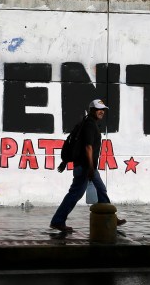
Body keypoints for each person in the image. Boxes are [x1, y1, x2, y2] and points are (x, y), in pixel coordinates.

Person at [50, 99, 126, 233]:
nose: (101, 111)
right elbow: (88, 147)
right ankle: (58, 221)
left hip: (86, 167)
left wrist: (66, 161)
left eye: (103, 109)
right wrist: (90, 167)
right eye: (98, 109)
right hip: (85, 167)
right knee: (75, 194)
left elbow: (74, 143)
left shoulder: (85, 123)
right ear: (92, 110)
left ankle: (110, 218)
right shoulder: (90, 125)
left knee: (101, 190)